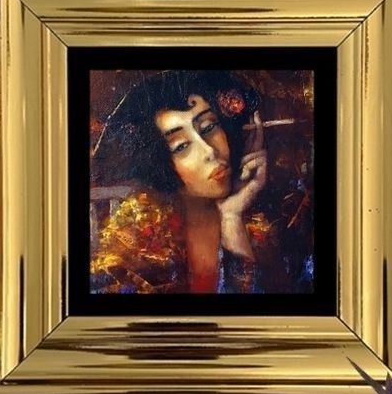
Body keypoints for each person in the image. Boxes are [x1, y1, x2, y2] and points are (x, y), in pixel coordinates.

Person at [89, 68, 311, 295]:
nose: (209, 151)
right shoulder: (135, 242)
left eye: (208, 127)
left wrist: (231, 218)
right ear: (161, 162)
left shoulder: (268, 231)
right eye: (182, 146)